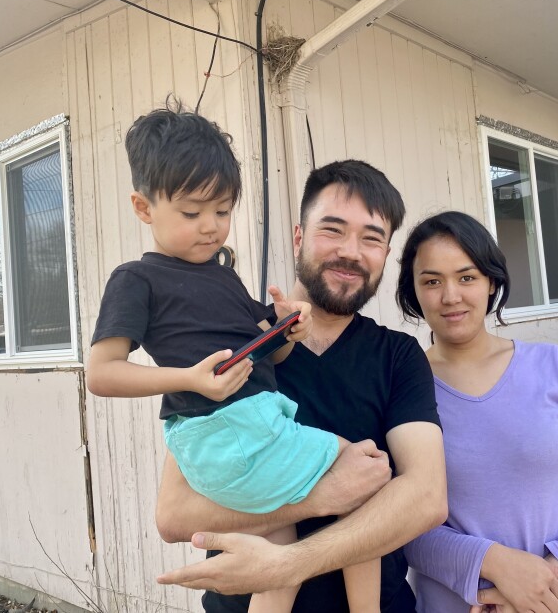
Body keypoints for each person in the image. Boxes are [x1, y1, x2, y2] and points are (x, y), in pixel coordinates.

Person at [85, 103, 388, 612]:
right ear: (143, 208)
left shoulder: (222, 275)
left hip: (253, 421)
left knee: (280, 542)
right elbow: (101, 373)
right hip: (224, 430)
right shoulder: (136, 279)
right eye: (191, 212)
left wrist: (290, 326)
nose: (211, 226)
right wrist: (191, 379)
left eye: (222, 211)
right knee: (366, 470)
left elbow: (271, 349)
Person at [154, 159, 448, 612]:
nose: (351, 252)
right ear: (298, 237)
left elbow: (426, 497)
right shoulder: (231, 340)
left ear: (385, 255)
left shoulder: (398, 356)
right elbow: (174, 514)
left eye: (371, 238)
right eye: (332, 229)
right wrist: (324, 496)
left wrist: (289, 564)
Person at [395, 211, 558, 613]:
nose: (451, 296)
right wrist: (497, 567)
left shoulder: (553, 366)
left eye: (467, 277)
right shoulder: (402, 388)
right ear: (415, 291)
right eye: (432, 281)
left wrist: (542, 581)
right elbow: (400, 526)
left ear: (491, 281)